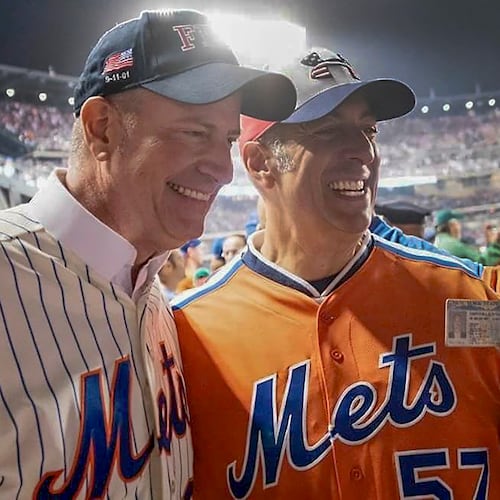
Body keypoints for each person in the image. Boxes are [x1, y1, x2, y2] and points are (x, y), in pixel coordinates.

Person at [172, 48, 500, 498]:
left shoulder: (464, 297)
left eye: (367, 130)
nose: (363, 150)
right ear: (259, 163)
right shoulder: (187, 333)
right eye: (327, 132)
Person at [0, 9, 296, 499]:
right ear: (102, 129)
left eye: (226, 139)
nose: (223, 170)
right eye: (194, 132)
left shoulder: (150, 289)